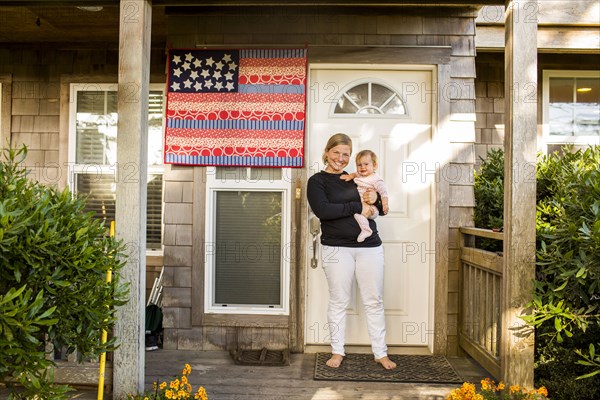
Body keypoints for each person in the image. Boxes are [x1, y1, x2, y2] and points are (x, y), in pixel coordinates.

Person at [306, 133, 396, 370]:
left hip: (369, 248)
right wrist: (357, 206)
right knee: (338, 301)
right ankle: (337, 351)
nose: (341, 158)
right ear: (326, 152)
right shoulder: (317, 181)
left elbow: (380, 210)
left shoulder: (358, 177)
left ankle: (380, 353)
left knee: (373, 301)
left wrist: (376, 198)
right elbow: (324, 211)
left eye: (346, 154)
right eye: (336, 152)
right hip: (336, 248)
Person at [341, 150, 389, 242]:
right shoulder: (360, 175)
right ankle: (365, 229)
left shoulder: (376, 180)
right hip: (362, 205)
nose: (362, 167)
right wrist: (350, 176)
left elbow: (383, 193)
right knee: (357, 212)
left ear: (374, 166)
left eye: (366, 164)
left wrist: (385, 205)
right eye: (359, 165)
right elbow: (355, 173)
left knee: (357, 214)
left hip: (372, 208)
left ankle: (366, 230)